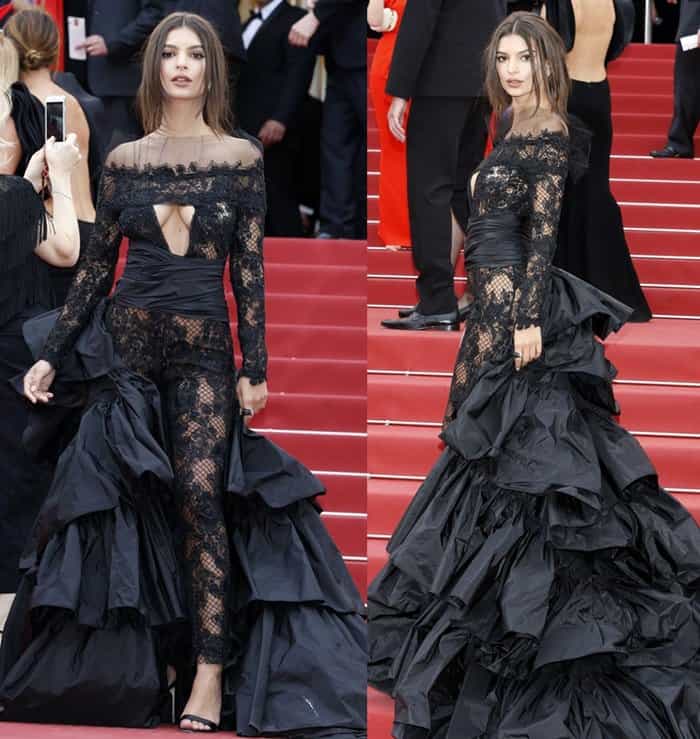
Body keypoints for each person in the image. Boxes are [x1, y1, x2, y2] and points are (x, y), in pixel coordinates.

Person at [0, 12, 367, 736]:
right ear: (153, 68)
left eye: (194, 54)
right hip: (128, 350)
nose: (180, 64)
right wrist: (53, 350)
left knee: (202, 494)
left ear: (210, 70)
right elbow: (97, 270)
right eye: (168, 52)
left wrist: (253, 366)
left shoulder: (240, 158)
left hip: (203, 353)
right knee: (134, 502)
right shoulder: (126, 159)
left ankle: (208, 666)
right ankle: (149, 664)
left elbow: (251, 273)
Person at [369, 13, 700, 737]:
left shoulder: (548, 130)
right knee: (486, 468)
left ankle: (542, 639)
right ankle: (489, 629)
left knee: (534, 475)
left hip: (522, 321)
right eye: (505, 58)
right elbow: (485, 232)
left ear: (548, 63)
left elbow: (541, 236)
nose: (514, 68)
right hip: (485, 317)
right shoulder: (506, 124)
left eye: (525, 57)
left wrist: (522, 323)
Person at [379, 0, 507, 331]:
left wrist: (400, 91)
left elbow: (420, 19)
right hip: (479, 83)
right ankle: (486, 287)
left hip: (439, 83)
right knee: (463, 190)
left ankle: (438, 300)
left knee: (430, 190)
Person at [0, 129, 81, 598]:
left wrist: (28, 184)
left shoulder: (11, 196)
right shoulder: (8, 196)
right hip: (14, 362)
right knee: (20, 485)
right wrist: (64, 179)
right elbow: (66, 249)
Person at [542, 0, 651, 321]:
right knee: (595, 190)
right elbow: (617, 46)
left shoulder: (559, 3)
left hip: (566, 97)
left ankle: (564, 291)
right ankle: (610, 289)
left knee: (563, 193)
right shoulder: (617, 4)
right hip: (599, 93)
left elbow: (547, 56)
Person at [6, 6, 97, 306]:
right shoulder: (74, 101)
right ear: (56, 49)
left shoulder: (17, 108)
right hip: (88, 227)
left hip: (55, 236)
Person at [237, 0, 316, 236]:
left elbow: (298, 73)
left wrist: (280, 118)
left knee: (279, 195)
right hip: (244, 127)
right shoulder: (248, 21)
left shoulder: (297, 18)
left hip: (275, 127)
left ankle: (292, 261)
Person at [289, 0, 366, 240]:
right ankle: (335, 227)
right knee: (335, 146)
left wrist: (316, 15)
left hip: (367, 51)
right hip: (339, 57)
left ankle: (359, 228)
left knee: (367, 150)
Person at [75, 0, 167, 145]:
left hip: (122, 85)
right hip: (83, 81)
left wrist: (115, 43)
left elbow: (154, 13)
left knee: (122, 153)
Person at [367, 0, 411, 249]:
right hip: (395, 64)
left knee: (401, 147)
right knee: (396, 146)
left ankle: (402, 230)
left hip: (424, 65)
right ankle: (399, 230)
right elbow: (375, 21)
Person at [650, 0, 700, 158]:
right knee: (686, 88)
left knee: (687, 88)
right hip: (691, 26)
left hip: (694, 27)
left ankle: (680, 143)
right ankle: (679, 143)